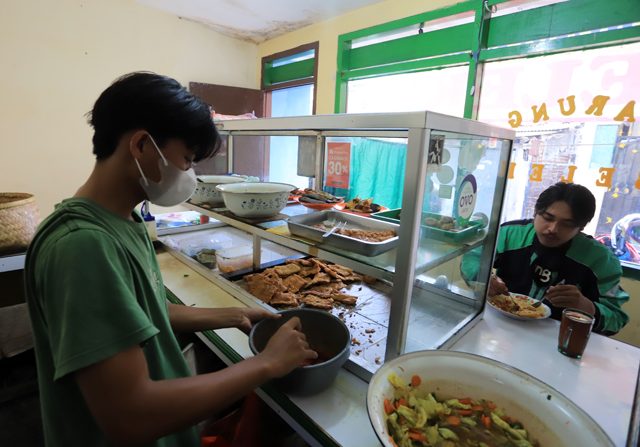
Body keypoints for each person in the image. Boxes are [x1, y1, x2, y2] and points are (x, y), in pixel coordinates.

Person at [24, 72, 317, 447]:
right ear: (143, 146)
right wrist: (265, 364)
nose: (189, 174)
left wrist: (232, 315)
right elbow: (131, 415)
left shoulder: (123, 221)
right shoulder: (82, 247)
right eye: (187, 159)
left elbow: (142, 311)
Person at [487, 182, 629, 335]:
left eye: (567, 224)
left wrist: (585, 305)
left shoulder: (601, 260)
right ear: (535, 212)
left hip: (558, 339)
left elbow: (617, 320)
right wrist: (485, 279)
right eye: (548, 218)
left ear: (580, 227)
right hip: (497, 327)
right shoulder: (510, 234)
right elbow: (473, 260)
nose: (553, 229)